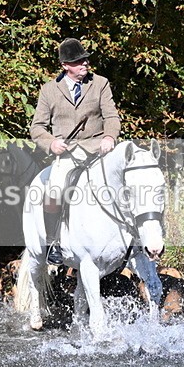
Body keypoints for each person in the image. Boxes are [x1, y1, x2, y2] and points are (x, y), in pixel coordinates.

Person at [30, 37, 121, 265]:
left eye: (85, 60)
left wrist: (109, 136)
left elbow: (111, 116)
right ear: (65, 65)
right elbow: (37, 127)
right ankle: (53, 242)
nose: (84, 64)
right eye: (78, 61)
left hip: (98, 148)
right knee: (55, 189)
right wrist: (51, 143)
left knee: (127, 179)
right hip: (68, 152)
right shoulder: (49, 91)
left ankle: (137, 238)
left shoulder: (100, 83)